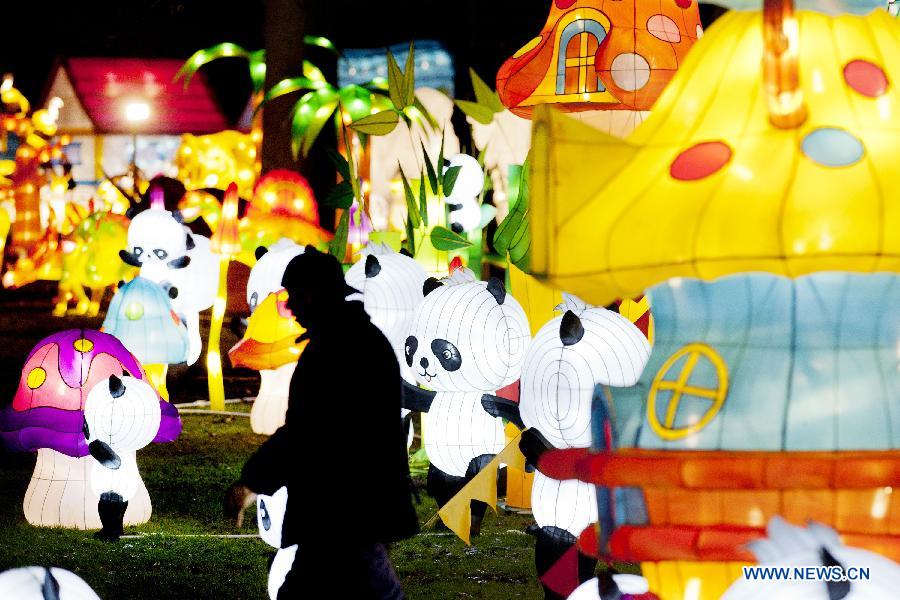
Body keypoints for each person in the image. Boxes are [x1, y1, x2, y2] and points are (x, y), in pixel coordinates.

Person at [225, 246, 419, 599]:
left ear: (313, 295)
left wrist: (251, 481)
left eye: (293, 296)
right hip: (362, 502)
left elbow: (305, 432)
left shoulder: (333, 350)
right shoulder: (362, 340)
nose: (290, 307)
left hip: (340, 506)